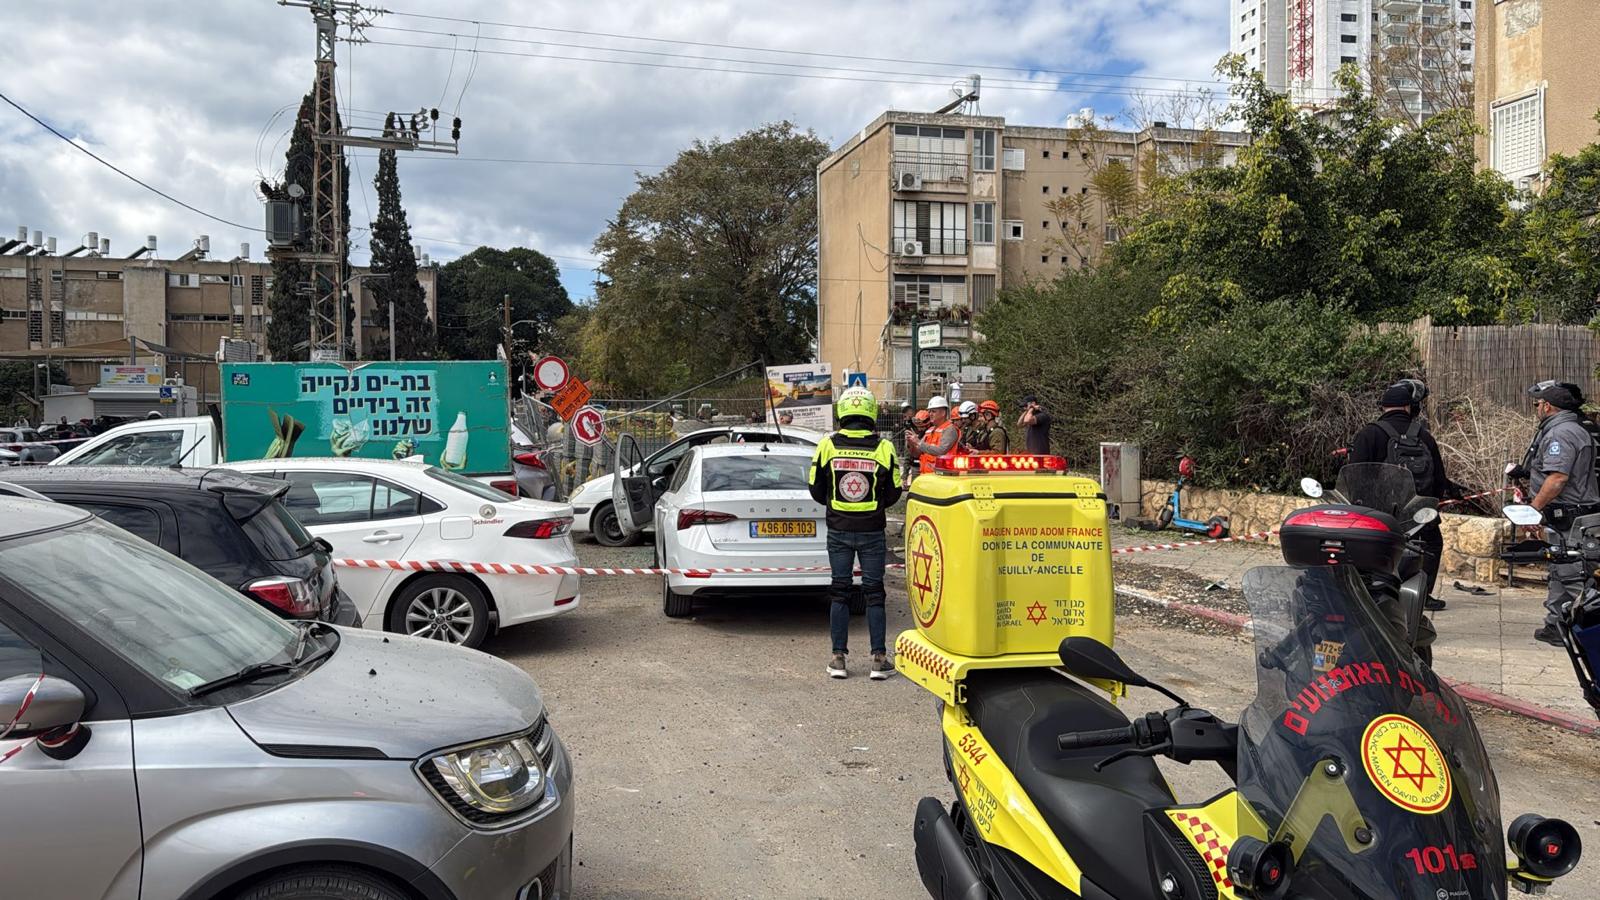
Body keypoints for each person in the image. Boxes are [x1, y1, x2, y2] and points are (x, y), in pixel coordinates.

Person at [809, 387, 903, 680]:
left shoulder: (827, 445)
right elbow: (894, 492)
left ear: (842, 413)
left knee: (840, 591)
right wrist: (873, 506)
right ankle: (879, 659)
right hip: (872, 530)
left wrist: (836, 505)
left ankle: (838, 659)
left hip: (838, 529)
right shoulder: (884, 447)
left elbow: (815, 489)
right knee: (874, 593)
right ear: (871, 413)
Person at [1347, 379, 1448, 642]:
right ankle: (1422, 599)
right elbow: (1439, 480)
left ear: (1384, 406)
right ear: (1410, 406)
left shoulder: (1369, 434)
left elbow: (1354, 478)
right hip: (1417, 515)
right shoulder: (1424, 436)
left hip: (1378, 515)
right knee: (1431, 546)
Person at [1509, 380, 1600, 646]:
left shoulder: (1561, 433)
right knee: (1561, 569)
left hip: (1571, 517)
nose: (1536, 408)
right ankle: (1556, 625)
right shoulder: (1574, 428)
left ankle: (1592, 630)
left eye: (1537, 404)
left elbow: (1558, 478)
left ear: (1547, 406)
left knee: (1573, 575)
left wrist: (1533, 509)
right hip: (1569, 515)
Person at [907, 396, 960, 474]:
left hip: (943, 475)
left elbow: (941, 451)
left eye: (933, 411)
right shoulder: (930, 430)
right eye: (929, 411)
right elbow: (917, 454)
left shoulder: (950, 429)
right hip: (927, 475)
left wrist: (918, 442)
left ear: (943, 413)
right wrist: (911, 443)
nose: (930, 414)